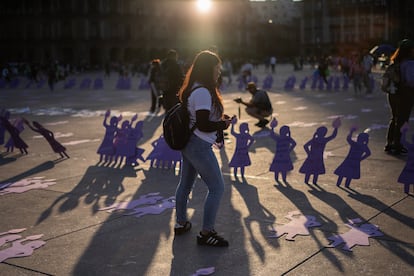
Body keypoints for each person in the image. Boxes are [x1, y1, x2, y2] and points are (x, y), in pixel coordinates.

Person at [174, 50, 232, 247]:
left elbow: (201, 120)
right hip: (198, 145)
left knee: (185, 185)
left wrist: (218, 121)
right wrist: (222, 125)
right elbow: (203, 124)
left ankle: (181, 223)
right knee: (217, 188)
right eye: (217, 68)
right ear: (209, 69)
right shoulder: (203, 92)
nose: (219, 72)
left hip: (190, 144)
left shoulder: (196, 89)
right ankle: (207, 232)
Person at [384, 39, 414, 155]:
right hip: (405, 94)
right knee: (402, 119)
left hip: (393, 93)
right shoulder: (409, 63)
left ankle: (390, 142)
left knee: (395, 117)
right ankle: (398, 144)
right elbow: (411, 80)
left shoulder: (395, 62)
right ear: (410, 50)